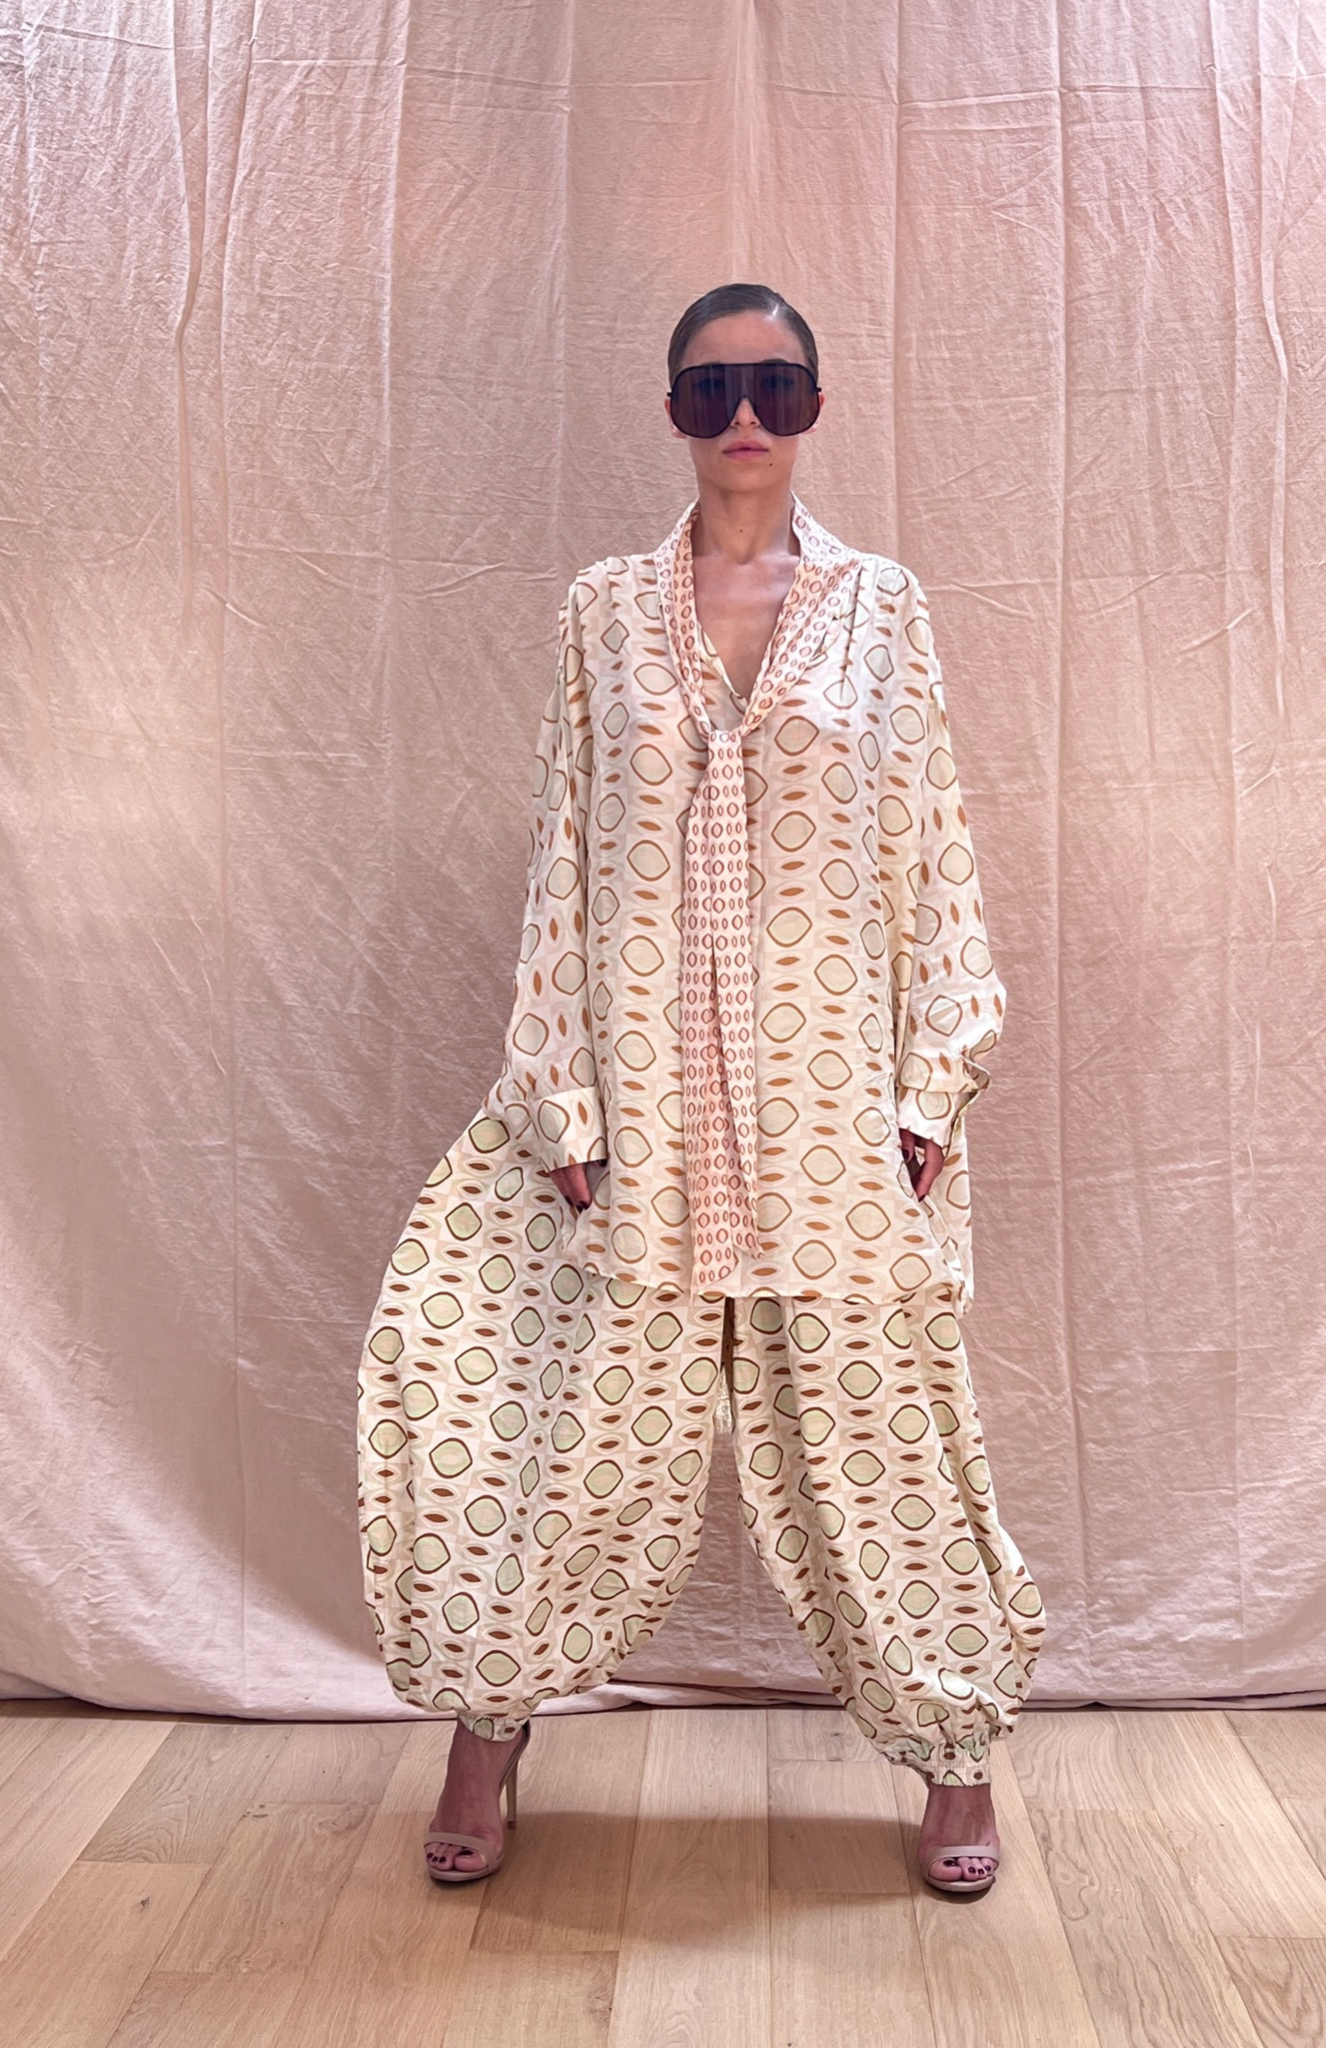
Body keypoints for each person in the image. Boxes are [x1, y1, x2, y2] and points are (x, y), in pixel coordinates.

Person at [357, 282, 1046, 1898]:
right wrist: (561, 1096)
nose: (743, 417)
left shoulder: (882, 608)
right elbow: (565, 852)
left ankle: (953, 1748)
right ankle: (485, 1735)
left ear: (814, 405)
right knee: (556, 1436)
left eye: (775, 387)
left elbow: (932, 841)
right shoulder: (602, 610)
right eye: (710, 388)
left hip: (829, 1107)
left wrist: (929, 1093)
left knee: (883, 1442)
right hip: (645, 1103)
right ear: (673, 408)